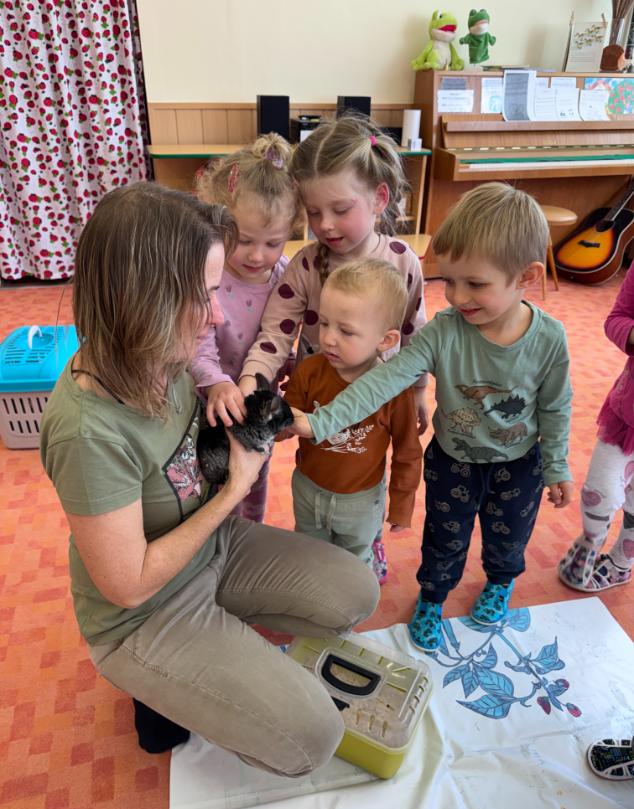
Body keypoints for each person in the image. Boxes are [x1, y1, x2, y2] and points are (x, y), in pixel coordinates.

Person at [39, 182, 379, 774]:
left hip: (210, 547)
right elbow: (127, 586)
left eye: (215, 292)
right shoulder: (86, 431)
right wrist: (234, 491)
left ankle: (214, 641)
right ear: (139, 299)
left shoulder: (161, 356)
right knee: (312, 739)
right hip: (142, 611)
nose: (217, 316)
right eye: (201, 296)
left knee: (356, 593)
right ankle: (158, 674)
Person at [289, 182, 573, 652]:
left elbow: (556, 406)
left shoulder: (549, 339)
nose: (456, 296)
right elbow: (384, 380)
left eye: (475, 284)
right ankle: (433, 598)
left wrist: (558, 464)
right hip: (453, 461)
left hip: (520, 465)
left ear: (526, 276)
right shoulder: (444, 333)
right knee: (444, 537)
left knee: (509, 538)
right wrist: (320, 422)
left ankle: (500, 582)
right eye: (450, 280)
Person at [238, 114, 429, 581]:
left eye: (340, 209)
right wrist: (251, 380)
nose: (324, 225)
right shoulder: (306, 265)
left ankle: (367, 539)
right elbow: (275, 333)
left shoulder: (403, 262)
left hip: (380, 403)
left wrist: (420, 391)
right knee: (321, 469)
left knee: (366, 470)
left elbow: (415, 337)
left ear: (379, 198)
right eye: (313, 212)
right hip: (317, 398)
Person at [283, 259, 423, 583]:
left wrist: (402, 504)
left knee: (354, 565)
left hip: (361, 501)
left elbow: (407, 452)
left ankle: (353, 594)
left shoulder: (395, 391)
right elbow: (288, 421)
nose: (328, 338)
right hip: (308, 489)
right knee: (310, 555)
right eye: (325, 323)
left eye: (345, 331)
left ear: (385, 340)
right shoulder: (309, 371)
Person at [190, 133, 302, 522]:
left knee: (255, 473)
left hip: (256, 407)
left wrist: (291, 364)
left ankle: (250, 533)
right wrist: (217, 384)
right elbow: (197, 346)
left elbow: (280, 334)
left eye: (273, 243)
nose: (258, 255)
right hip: (210, 404)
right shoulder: (209, 277)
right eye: (244, 240)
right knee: (212, 481)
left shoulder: (285, 274)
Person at [558, 262, 634, 592]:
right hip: (627, 414)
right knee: (599, 493)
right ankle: (590, 542)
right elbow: (617, 318)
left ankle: (621, 563)